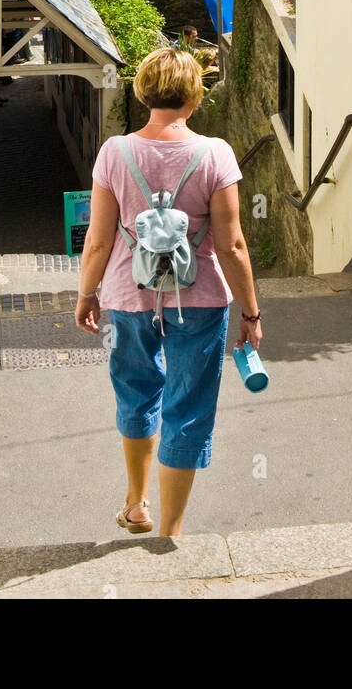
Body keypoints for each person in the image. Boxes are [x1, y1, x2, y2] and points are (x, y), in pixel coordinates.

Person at [75, 49, 261, 535]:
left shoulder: (114, 152)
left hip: (128, 297)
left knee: (136, 394)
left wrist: (86, 294)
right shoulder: (214, 153)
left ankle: (136, 503)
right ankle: (169, 533)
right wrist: (251, 312)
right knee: (189, 406)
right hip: (199, 301)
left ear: (143, 92)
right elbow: (233, 244)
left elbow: (98, 238)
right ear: (195, 95)